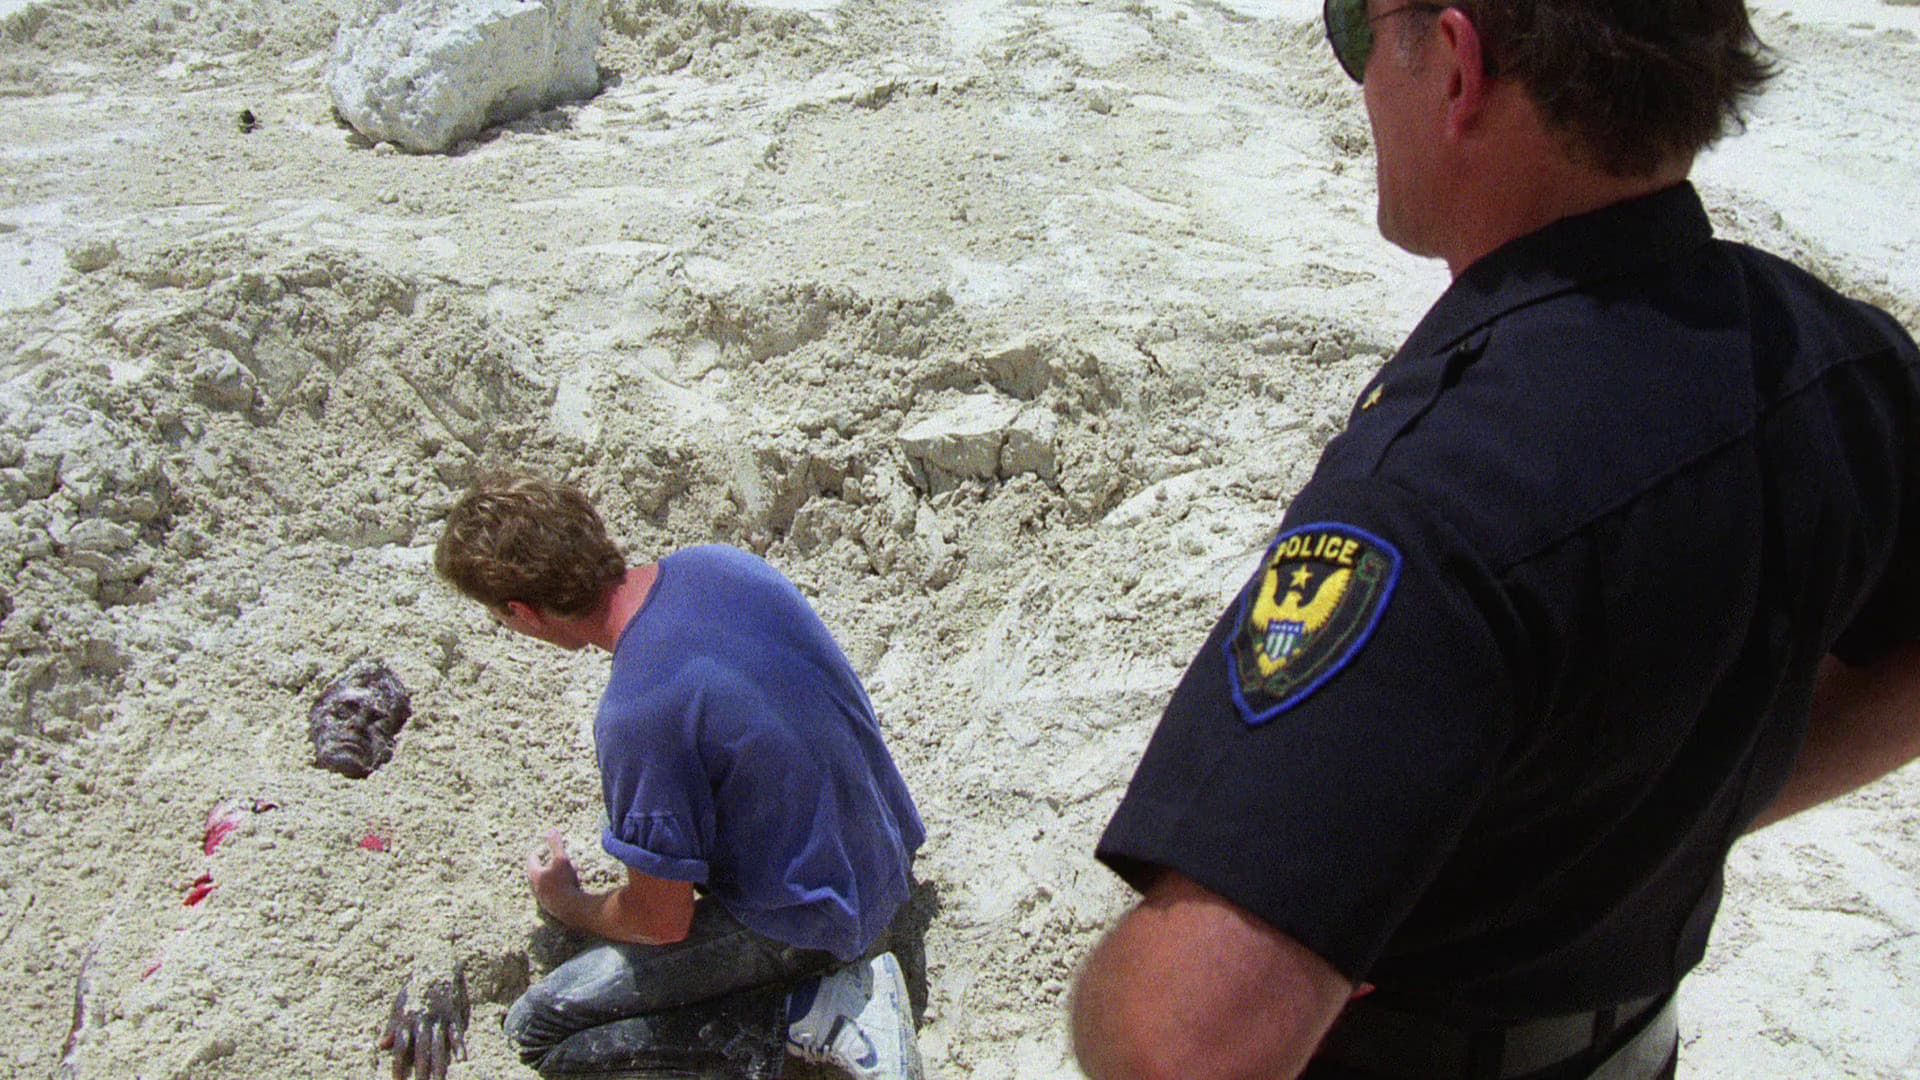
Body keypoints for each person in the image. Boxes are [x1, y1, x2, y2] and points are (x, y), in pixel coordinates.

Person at [1069, 0, 1920, 1077]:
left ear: (1460, 65)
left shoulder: (1434, 503)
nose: (1360, 76)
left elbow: (1180, 1044)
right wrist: (1692, 806)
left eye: (1356, 28)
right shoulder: (1836, 359)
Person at [420, 470, 927, 1080]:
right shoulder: (721, 565)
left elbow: (661, 921)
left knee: (540, 1030)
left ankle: (814, 1014)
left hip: (817, 918)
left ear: (523, 613)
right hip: (883, 848)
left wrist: (570, 902)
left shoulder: (636, 710)